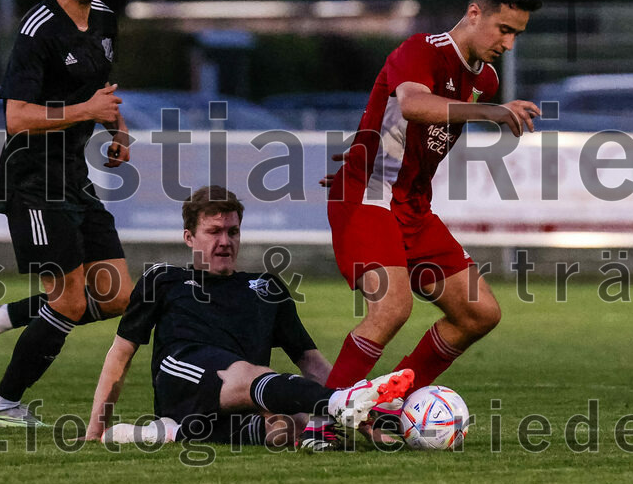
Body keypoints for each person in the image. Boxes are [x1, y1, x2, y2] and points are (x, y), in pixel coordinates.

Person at [322, 0, 542, 408]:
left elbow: (392, 119)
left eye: (517, 34)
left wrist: (365, 142)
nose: (509, 44)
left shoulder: (484, 80)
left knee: (479, 313)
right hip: (370, 196)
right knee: (392, 308)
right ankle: (321, 417)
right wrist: (494, 114)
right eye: (503, 30)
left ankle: (388, 402)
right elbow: (412, 103)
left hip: (412, 208)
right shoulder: (422, 48)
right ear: (474, 13)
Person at [0, 0, 134, 427]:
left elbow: (103, 88)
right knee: (72, 299)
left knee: (117, 294)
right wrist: (86, 111)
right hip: (33, 179)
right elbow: (16, 117)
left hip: (73, 175)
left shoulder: (102, 16)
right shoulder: (38, 30)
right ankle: (3, 405)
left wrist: (117, 131)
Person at [84, 185, 414, 448]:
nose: (225, 241)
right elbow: (121, 353)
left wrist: (357, 411)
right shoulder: (164, 280)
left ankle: (176, 433)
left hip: (246, 395)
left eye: (233, 232)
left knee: (288, 426)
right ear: (189, 238)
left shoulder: (266, 287)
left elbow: (311, 362)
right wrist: (95, 428)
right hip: (184, 381)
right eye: (214, 232)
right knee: (247, 373)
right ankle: (341, 403)